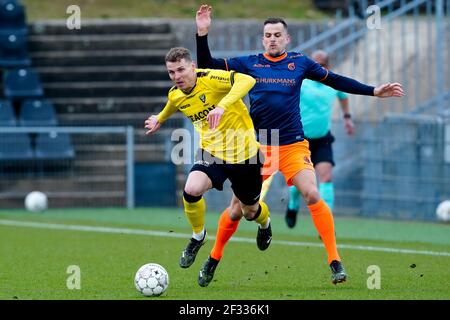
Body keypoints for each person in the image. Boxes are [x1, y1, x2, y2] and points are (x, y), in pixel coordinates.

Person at [195, 4, 404, 286]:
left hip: (294, 145)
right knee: (239, 211)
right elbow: (208, 65)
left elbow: (335, 80)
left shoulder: (300, 63)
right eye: (267, 35)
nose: (272, 39)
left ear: (287, 38)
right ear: (262, 39)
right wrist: (202, 33)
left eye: (277, 35)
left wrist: (373, 91)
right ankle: (213, 258)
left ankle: (335, 262)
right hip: (258, 147)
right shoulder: (249, 63)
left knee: (313, 195)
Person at [144, 47, 272, 287]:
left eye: (181, 69)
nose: (176, 76)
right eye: (171, 72)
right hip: (212, 153)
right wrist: (159, 119)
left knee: (249, 211)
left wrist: (223, 105)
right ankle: (197, 236)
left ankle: (265, 223)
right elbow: (173, 103)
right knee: (191, 189)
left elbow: (248, 79)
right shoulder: (176, 93)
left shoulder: (211, 79)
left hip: (245, 156)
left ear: (193, 67)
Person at [262, 49, 355, 229]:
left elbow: (344, 97)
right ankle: (293, 205)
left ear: (327, 66)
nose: (316, 68)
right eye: (314, 64)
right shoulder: (302, 82)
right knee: (300, 183)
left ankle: (326, 223)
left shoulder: (332, 83)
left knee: (326, 178)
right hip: (299, 141)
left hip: (322, 139)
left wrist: (347, 117)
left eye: (320, 65)